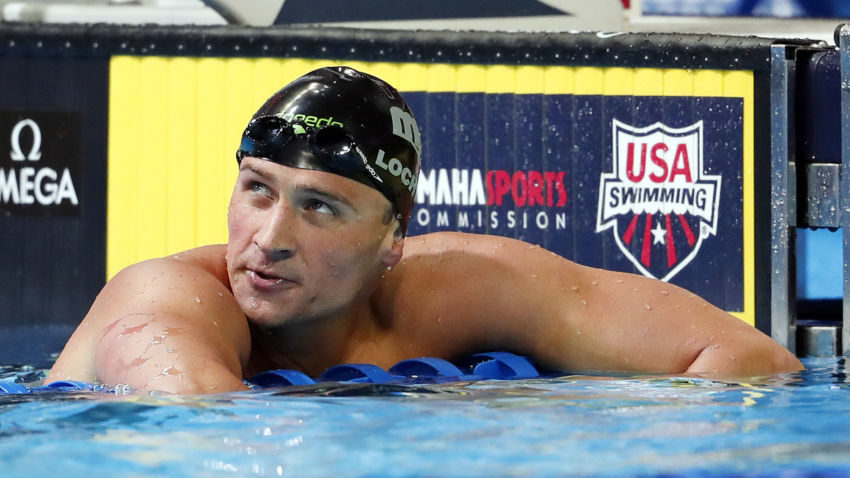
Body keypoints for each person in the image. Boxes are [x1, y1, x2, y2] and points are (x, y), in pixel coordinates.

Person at [45, 66, 802, 394]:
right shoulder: (169, 303)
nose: (269, 236)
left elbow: (749, 356)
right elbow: (197, 444)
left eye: (320, 206)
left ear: (393, 236)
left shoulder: (454, 287)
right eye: (257, 190)